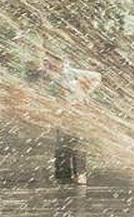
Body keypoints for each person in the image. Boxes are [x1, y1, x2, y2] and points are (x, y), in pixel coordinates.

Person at [41, 55, 101, 185]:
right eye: (49, 63)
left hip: (77, 114)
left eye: (53, 63)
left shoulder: (72, 73)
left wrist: (84, 94)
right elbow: (51, 97)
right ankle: (63, 174)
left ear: (61, 62)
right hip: (63, 114)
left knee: (78, 142)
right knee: (62, 143)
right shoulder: (51, 79)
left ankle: (80, 174)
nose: (51, 66)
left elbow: (97, 77)